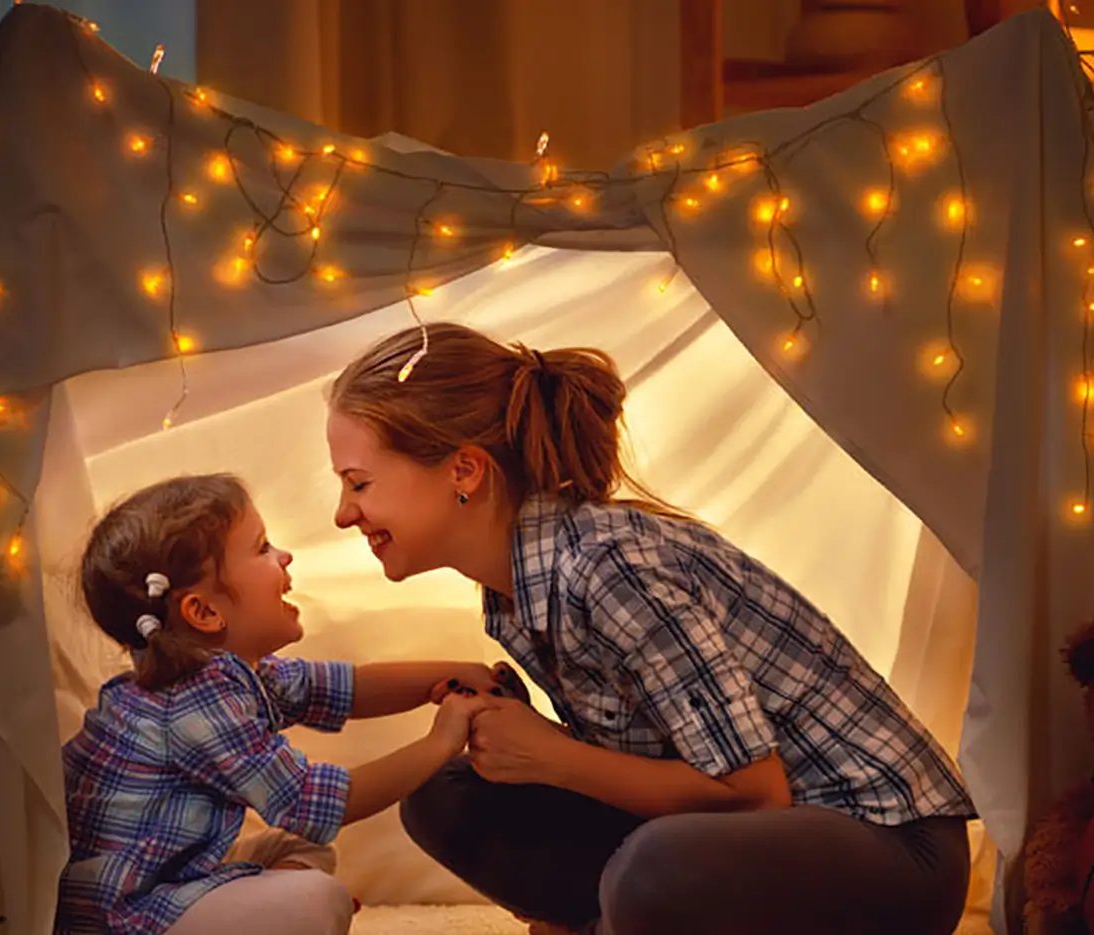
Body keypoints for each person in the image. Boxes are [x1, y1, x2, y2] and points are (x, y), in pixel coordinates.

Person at [323, 322, 979, 935]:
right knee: (444, 794)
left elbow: (754, 795)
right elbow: (655, 762)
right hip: (739, 837)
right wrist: (528, 744)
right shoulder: (515, 589)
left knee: (653, 867)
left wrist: (552, 755)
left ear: (463, 471)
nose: (343, 513)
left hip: (887, 847)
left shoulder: (610, 569)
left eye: (359, 483)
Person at [57, 473, 511, 935]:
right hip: (127, 914)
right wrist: (440, 742)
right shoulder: (194, 703)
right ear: (205, 612)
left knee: (303, 851)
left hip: (172, 876)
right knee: (318, 896)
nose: (285, 556)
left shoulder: (227, 675)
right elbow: (317, 803)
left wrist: (452, 673)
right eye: (262, 548)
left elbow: (347, 688)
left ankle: (265, 914)